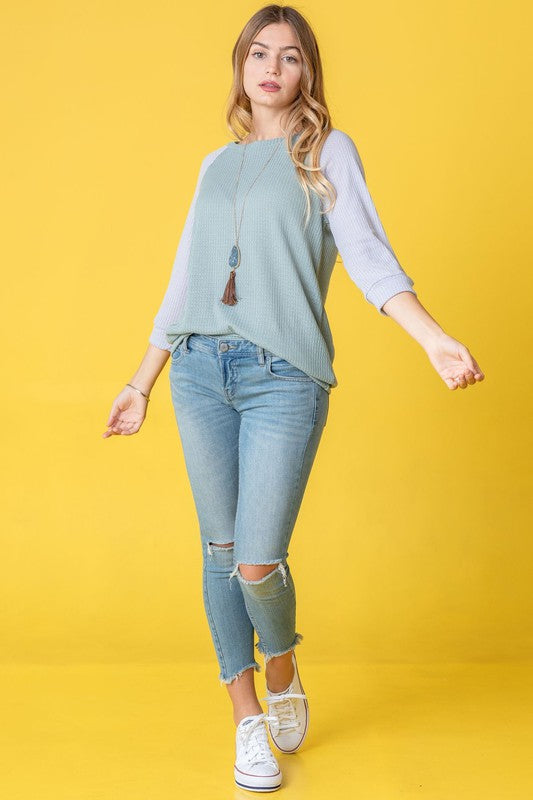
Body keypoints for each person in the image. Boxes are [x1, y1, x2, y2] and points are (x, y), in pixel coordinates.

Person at [103, 4, 484, 793]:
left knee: (253, 562)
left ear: (308, 72)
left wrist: (431, 337)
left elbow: (369, 256)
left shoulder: (326, 152)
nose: (272, 68)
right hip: (200, 372)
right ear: (241, 68)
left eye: (290, 57)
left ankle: (280, 666)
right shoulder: (215, 166)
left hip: (283, 378)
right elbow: (184, 285)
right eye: (258, 55)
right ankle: (246, 720)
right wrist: (140, 381)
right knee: (215, 551)